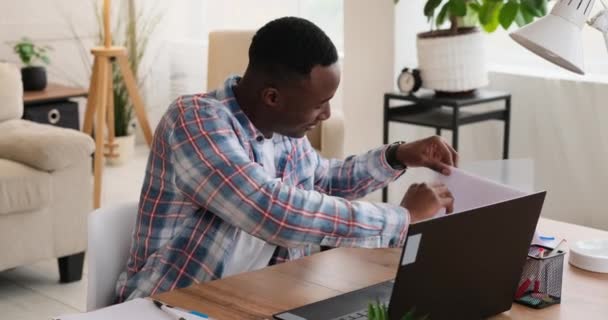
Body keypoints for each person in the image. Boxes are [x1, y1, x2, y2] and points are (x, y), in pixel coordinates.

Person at [115, 16, 457, 302]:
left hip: (254, 298)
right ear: (272, 97)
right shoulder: (193, 121)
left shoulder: (284, 132)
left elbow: (325, 180)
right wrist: (402, 219)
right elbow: (273, 211)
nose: (325, 114)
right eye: (319, 103)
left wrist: (397, 156)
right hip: (173, 304)